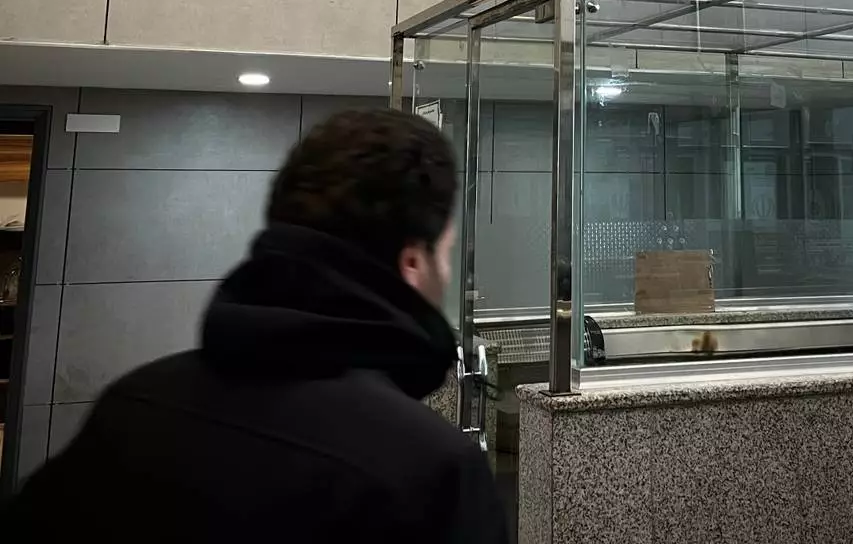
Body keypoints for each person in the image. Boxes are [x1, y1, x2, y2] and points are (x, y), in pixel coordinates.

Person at [2, 109, 508, 543]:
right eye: (446, 253)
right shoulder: (430, 472)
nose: (447, 273)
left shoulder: (131, 406)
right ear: (413, 263)